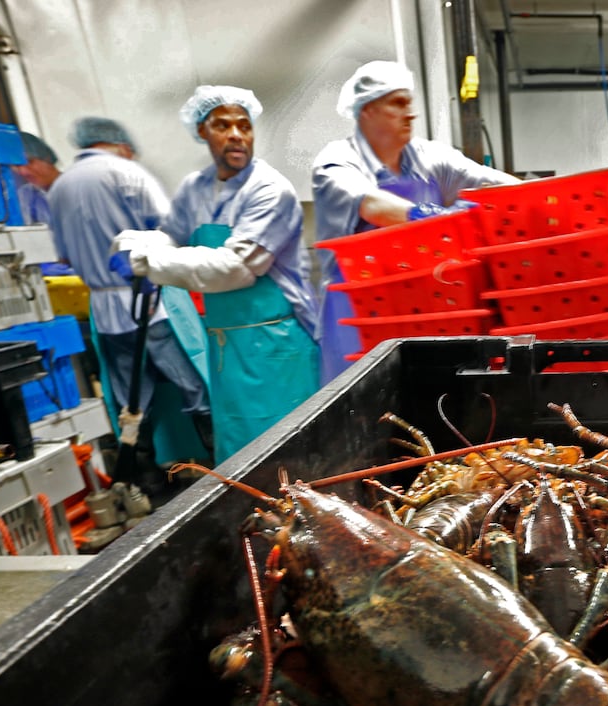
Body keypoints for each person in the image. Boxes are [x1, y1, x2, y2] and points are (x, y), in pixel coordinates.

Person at [114, 86, 320, 464]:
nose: (237, 134)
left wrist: (148, 263)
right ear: (202, 132)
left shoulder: (270, 190)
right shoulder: (196, 188)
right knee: (241, 448)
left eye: (244, 125)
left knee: (288, 449)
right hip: (227, 346)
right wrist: (132, 242)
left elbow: (236, 269)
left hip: (274, 346)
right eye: (222, 125)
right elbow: (171, 235)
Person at [312, 61, 517, 383]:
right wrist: (430, 216)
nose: (411, 113)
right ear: (367, 110)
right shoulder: (335, 162)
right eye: (398, 103)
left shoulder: (426, 157)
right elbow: (372, 205)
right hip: (356, 315)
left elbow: (493, 183)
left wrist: (535, 196)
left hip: (425, 306)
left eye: (410, 103)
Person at [46, 116, 213, 469]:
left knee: (132, 399)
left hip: (104, 309)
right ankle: (220, 461)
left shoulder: (60, 187)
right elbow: (171, 228)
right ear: (123, 146)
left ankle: (146, 478)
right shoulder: (126, 173)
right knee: (193, 382)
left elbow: (61, 255)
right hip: (149, 299)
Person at [13, 131, 60, 225]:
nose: (23, 172)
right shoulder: (25, 195)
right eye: (17, 166)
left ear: (47, 158)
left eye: (30, 162)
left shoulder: (76, 187)